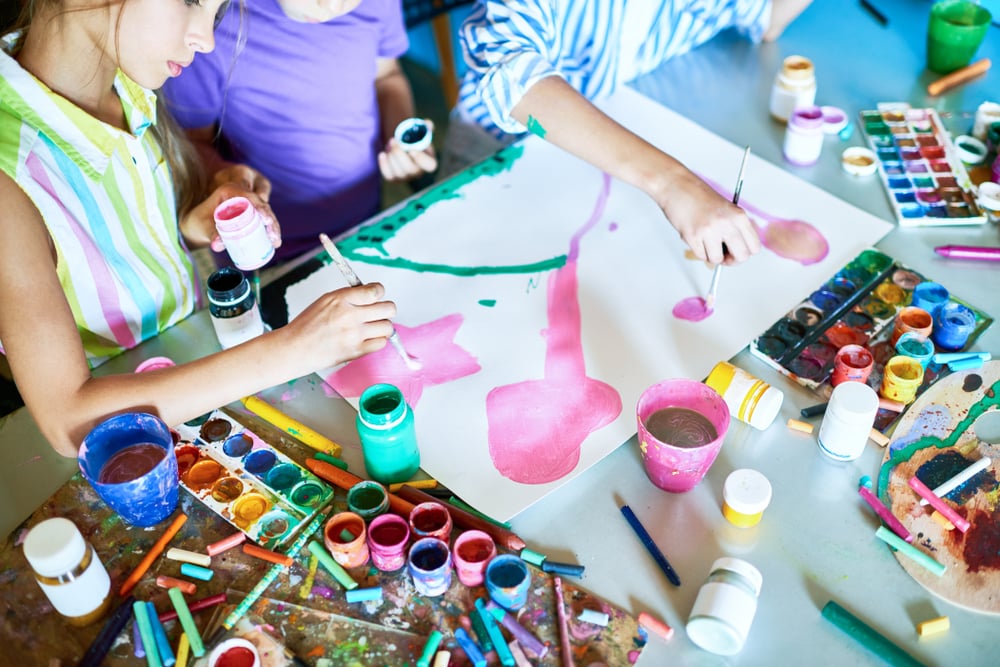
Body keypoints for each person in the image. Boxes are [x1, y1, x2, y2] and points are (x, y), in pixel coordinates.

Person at [0, 0, 397, 457]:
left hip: (198, 375)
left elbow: (111, 248)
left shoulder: (125, 84)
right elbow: (69, 423)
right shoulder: (11, 173)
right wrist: (295, 348)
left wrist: (196, 222)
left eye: (216, 13)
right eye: (191, 1)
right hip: (130, 452)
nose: (206, 40)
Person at [443, 0, 813, 267]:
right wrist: (674, 184)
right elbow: (511, 77)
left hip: (616, 156)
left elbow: (766, 18)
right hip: (500, 154)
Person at [162, 0, 438, 264]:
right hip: (270, 248)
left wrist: (402, 143)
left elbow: (387, 76)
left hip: (367, 216)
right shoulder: (214, 27)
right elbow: (192, 141)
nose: (332, 6)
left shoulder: (377, 4)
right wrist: (224, 177)